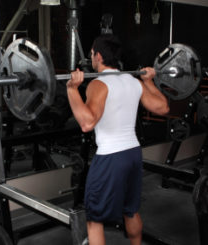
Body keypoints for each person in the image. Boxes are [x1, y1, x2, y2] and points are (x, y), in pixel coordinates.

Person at [66, 34, 169, 245]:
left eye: (92, 54)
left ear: (99, 56)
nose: (91, 57)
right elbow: (163, 107)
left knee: (94, 219)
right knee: (130, 210)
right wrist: (148, 82)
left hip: (110, 157)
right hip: (133, 154)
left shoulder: (98, 84)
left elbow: (87, 123)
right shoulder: (132, 81)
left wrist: (72, 89)